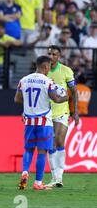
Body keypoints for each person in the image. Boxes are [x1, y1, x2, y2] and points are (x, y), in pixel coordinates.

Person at [15, 55, 68, 190]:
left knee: (28, 149)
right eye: (49, 66)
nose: (50, 68)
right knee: (42, 152)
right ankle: (38, 182)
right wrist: (65, 98)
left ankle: (25, 172)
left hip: (29, 121)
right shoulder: (47, 82)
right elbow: (56, 99)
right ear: (45, 66)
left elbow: (17, 99)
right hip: (44, 121)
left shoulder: (24, 80)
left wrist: (28, 105)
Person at [46, 45, 79, 188]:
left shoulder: (66, 71)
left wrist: (75, 112)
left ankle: (59, 177)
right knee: (50, 145)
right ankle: (55, 177)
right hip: (46, 112)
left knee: (59, 140)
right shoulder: (42, 71)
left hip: (62, 111)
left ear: (58, 56)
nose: (51, 57)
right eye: (49, 54)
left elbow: (74, 92)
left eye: (54, 54)